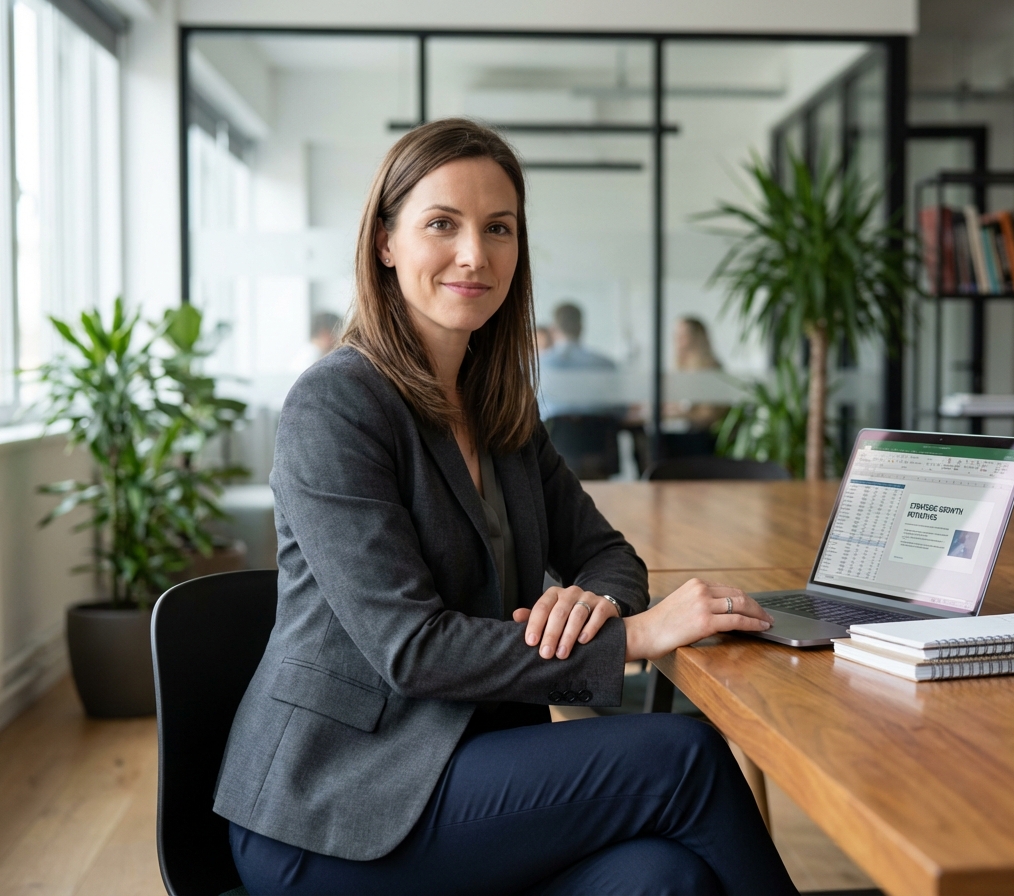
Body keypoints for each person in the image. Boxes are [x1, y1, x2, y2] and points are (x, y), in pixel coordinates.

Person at [213, 118, 795, 896]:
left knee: (667, 877)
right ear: (386, 241)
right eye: (441, 225)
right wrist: (633, 636)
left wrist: (592, 604)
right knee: (682, 757)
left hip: (467, 774)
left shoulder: (498, 406)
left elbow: (608, 553)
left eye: (498, 229)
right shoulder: (335, 405)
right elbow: (411, 649)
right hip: (338, 809)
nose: (473, 255)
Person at [539, 301, 623, 418]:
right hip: (599, 434)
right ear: (581, 328)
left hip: (555, 433)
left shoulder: (540, 365)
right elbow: (620, 410)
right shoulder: (606, 364)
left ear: (552, 330)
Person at [668, 316, 730, 432]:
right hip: (687, 430)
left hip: (708, 434)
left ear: (697, 338)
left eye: (683, 335)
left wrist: (678, 414)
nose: (678, 340)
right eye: (676, 335)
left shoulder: (710, 370)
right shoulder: (681, 369)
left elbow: (708, 415)